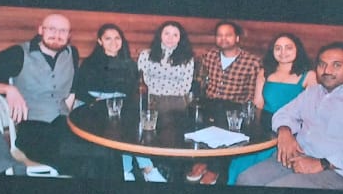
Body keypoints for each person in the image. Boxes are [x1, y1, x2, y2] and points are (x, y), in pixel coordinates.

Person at [234, 42, 343, 190]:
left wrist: (322, 163)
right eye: (322, 64)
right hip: (298, 156)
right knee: (246, 179)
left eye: (336, 65)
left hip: (340, 170)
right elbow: (284, 113)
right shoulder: (313, 92)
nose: (327, 71)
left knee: (278, 189)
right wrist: (285, 131)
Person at [0, 13, 78, 171]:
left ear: (69, 35)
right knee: (73, 157)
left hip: (64, 125)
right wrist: (8, 89)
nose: (57, 35)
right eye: (51, 29)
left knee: (96, 152)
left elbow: (72, 89)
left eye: (63, 31)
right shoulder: (18, 53)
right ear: (40, 30)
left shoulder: (72, 53)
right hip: (32, 129)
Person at [71, 24, 158, 182]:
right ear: (100, 41)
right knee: (117, 130)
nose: (113, 42)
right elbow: (79, 89)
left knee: (132, 126)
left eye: (117, 38)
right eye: (108, 38)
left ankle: (145, 167)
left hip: (121, 105)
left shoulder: (129, 63)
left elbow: (133, 90)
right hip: (94, 106)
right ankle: (129, 169)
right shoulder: (90, 63)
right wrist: (95, 100)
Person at [229, 32, 316, 184]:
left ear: (297, 49)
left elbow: (311, 113)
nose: (283, 52)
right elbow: (258, 105)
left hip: (291, 131)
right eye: (278, 48)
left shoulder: (309, 75)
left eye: (288, 48)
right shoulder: (265, 72)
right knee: (239, 162)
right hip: (265, 128)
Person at [190, 20, 260, 185]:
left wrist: (246, 113)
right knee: (196, 118)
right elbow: (200, 83)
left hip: (234, 108)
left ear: (237, 38)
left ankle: (214, 168)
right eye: (219, 35)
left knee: (222, 123)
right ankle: (202, 160)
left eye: (228, 35)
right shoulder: (209, 57)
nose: (223, 39)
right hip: (210, 104)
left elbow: (252, 94)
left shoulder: (252, 62)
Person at [135, 21, 198, 183]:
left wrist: (166, 96)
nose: (170, 38)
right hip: (152, 102)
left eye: (175, 34)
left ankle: (169, 170)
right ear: (160, 36)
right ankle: (150, 168)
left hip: (177, 104)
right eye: (166, 33)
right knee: (148, 134)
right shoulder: (146, 55)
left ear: (180, 38)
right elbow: (142, 80)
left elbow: (185, 86)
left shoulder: (187, 58)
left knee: (173, 137)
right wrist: (157, 95)